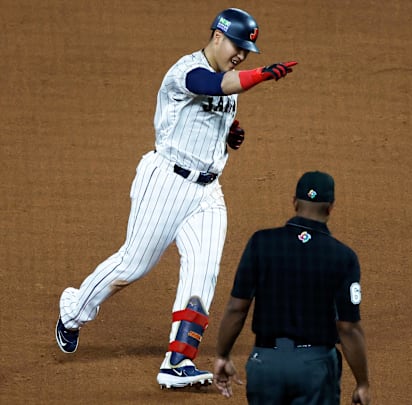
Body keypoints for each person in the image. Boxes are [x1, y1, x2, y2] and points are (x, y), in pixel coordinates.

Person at [54, 8, 298, 389]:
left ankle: (178, 362)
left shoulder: (225, 78)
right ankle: (74, 310)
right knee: (132, 265)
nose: (242, 55)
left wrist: (230, 133)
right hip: (166, 184)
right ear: (218, 36)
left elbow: (219, 107)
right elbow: (213, 86)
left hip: (208, 193)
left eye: (248, 52)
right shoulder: (186, 70)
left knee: (204, 271)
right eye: (238, 46)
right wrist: (262, 75)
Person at [212, 171, 371, 404]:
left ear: (294, 202)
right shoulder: (343, 257)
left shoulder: (262, 243)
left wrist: (222, 355)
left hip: (265, 364)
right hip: (314, 369)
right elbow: (348, 327)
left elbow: (237, 308)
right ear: (330, 208)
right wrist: (362, 383)